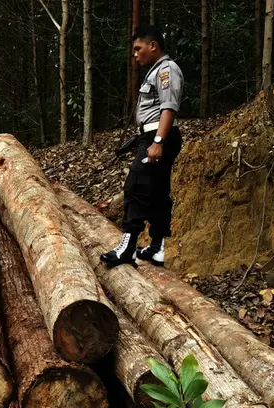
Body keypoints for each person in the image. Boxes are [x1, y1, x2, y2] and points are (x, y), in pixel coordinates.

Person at [101, 26, 184, 268]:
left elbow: (169, 107)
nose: (135, 55)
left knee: (135, 187)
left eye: (138, 49)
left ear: (153, 46)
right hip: (153, 137)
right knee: (157, 193)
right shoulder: (157, 71)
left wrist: (158, 142)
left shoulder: (167, 70)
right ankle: (156, 248)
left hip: (158, 138)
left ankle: (127, 249)